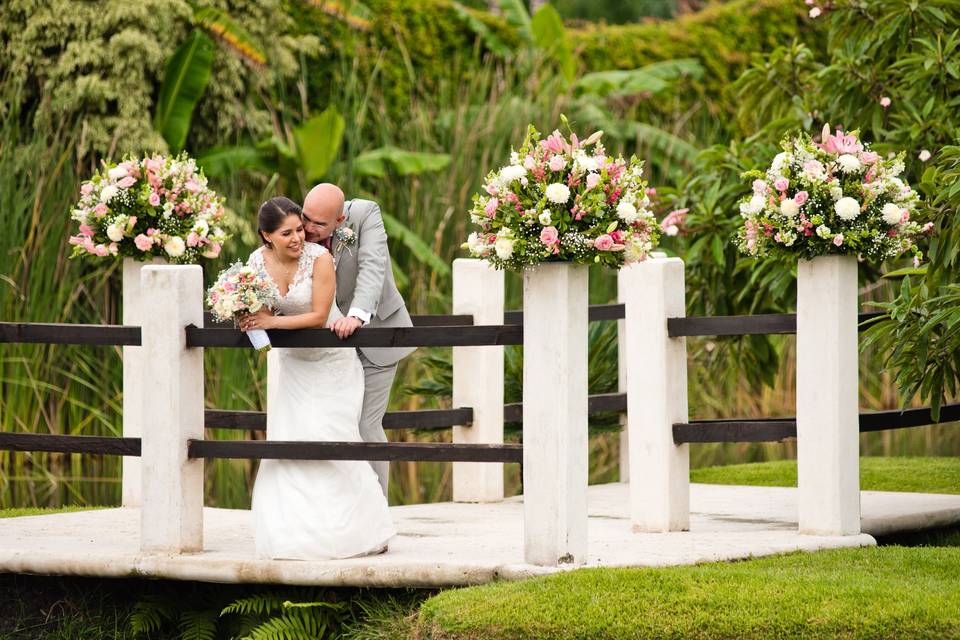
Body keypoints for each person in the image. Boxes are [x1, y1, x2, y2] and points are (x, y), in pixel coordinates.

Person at [239, 196, 394, 560]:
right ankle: (290, 535)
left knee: (333, 438)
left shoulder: (319, 258)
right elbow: (259, 310)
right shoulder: (254, 264)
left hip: (331, 364)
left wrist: (270, 322)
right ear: (266, 236)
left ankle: (356, 532)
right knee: (289, 441)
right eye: (288, 231)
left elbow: (319, 314)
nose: (300, 236)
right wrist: (245, 316)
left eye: (302, 229)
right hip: (294, 365)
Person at [299, 184, 415, 496]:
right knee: (332, 425)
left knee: (366, 425)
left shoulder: (365, 214)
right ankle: (339, 506)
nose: (308, 229)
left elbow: (373, 267)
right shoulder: (295, 227)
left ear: (339, 220)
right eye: (305, 218)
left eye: (319, 224)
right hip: (327, 349)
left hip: (376, 336)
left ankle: (377, 508)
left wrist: (358, 315)